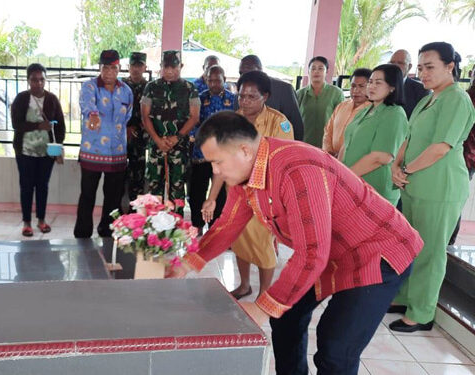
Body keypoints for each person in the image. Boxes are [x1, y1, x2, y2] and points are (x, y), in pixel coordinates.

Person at [169, 111, 422, 375]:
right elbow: (227, 224)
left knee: (335, 350)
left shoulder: (296, 170)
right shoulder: (246, 174)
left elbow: (312, 254)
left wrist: (261, 307)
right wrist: (186, 263)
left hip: (377, 253)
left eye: (217, 162)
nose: (215, 172)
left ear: (244, 150)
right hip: (329, 252)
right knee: (286, 317)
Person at [390, 42, 475, 332]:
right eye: (421, 66)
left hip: (440, 187)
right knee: (409, 246)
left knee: (429, 250)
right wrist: (396, 164)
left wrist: (405, 169)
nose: (423, 73)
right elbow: (409, 138)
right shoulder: (429, 99)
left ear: (450, 67)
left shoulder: (456, 100)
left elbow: (441, 147)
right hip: (414, 184)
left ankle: (422, 312)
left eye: (430, 67)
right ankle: (405, 297)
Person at [216, 70, 294, 300]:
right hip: (237, 192)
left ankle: (265, 292)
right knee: (240, 239)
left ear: (265, 96)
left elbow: (283, 159)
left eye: (252, 96)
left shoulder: (279, 122)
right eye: (242, 96)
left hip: (264, 194)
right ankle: (244, 285)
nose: (245, 101)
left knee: (263, 244)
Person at [74, 50, 133, 238]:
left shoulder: (126, 91)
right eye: (105, 68)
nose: (108, 72)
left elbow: (128, 117)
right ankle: (82, 234)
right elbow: (87, 106)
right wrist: (93, 116)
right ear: (100, 68)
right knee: (87, 195)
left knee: (113, 198)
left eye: (113, 68)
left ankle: (107, 232)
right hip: (93, 152)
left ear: (119, 69)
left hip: (117, 153)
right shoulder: (89, 87)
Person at [340, 64, 408, 206]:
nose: (371, 87)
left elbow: (381, 157)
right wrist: (338, 171)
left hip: (376, 189)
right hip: (352, 184)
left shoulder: (394, 114)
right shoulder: (365, 110)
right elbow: (346, 144)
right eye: (370, 82)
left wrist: (345, 177)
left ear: (392, 87)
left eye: (378, 83)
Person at [141, 50, 200, 213]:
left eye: (173, 67)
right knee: (154, 191)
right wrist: (157, 139)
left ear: (180, 66)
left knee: (178, 190)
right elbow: (145, 116)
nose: (169, 71)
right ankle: (153, 231)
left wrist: (177, 137)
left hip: (179, 147)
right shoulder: (150, 87)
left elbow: (194, 116)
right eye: (165, 67)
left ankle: (176, 231)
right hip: (156, 146)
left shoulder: (190, 88)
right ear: (160, 67)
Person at [11, 63, 65, 237]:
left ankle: (41, 220)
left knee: (43, 186)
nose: (38, 83)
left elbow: (61, 125)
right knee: (26, 186)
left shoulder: (52, 99)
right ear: (28, 81)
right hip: (25, 151)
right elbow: (16, 124)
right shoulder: (21, 99)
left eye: (42, 79)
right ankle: (26, 222)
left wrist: (58, 145)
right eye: (34, 80)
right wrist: (38, 125)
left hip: (46, 152)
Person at [188, 65, 233, 232]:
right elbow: (192, 122)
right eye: (210, 80)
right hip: (201, 154)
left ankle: (215, 227)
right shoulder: (198, 99)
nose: (214, 84)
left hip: (223, 156)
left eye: (217, 80)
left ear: (224, 80)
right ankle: (197, 224)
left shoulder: (233, 100)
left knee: (220, 193)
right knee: (197, 191)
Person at [238, 55, 305, 141]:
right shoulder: (233, 118)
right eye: (241, 73)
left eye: (251, 97)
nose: (245, 101)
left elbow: (297, 127)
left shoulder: (283, 90)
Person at [449, 71, 475, 245]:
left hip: (464, 158)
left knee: (452, 206)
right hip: (458, 157)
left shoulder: (463, 97)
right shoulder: (465, 95)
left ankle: (448, 247)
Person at [322, 68, 372, 156]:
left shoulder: (372, 111)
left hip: (353, 163)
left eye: (361, 86)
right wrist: (328, 152)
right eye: (353, 86)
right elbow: (328, 131)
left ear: (370, 87)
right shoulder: (342, 106)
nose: (356, 90)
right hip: (331, 158)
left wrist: (342, 156)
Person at [297, 56, 345, 148]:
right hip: (303, 143)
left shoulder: (336, 93)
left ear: (326, 71)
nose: (316, 71)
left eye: (320, 68)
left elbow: (340, 121)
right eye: (313, 68)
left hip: (327, 145)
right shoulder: (300, 94)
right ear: (308, 71)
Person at [122, 52, 150, 204]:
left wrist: (135, 127)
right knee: (118, 177)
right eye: (133, 65)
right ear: (128, 67)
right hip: (120, 139)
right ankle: (117, 212)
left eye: (139, 66)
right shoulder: (121, 85)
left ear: (145, 67)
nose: (136, 69)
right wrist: (124, 128)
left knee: (137, 179)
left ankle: (135, 214)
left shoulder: (149, 87)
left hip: (139, 139)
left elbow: (150, 114)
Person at [389, 49, 430, 119]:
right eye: (392, 62)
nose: (395, 66)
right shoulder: (379, 86)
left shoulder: (421, 90)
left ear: (409, 66)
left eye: (400, 63)